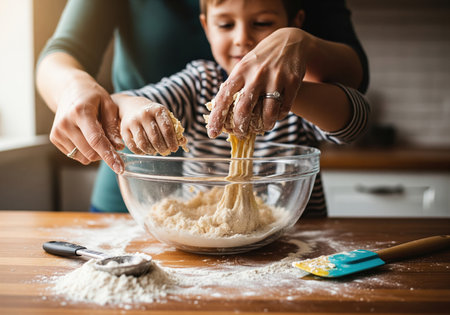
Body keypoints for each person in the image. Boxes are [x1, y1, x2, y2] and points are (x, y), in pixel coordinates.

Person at [36, 0, 369, 216]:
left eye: (263, 23)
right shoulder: (200, 81)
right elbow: (125, 98)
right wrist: (124, 101)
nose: (242, 38)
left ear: (294, 20)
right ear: (206, 26)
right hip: (142, 202)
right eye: (226, 25)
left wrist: (290, 91)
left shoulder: (298, 95)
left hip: (295, 236)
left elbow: (356, 119)